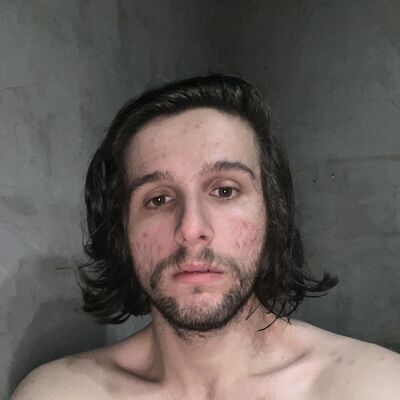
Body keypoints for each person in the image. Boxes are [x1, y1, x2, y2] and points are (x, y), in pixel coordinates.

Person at [12, 74, 400, 399]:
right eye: (158, 199)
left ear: (272, 213)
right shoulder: (60, 393)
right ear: (122, 229)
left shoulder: (375, 387)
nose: (191, 228)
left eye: (225, 191)